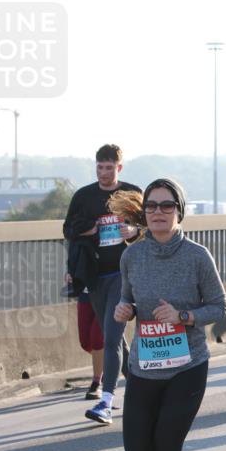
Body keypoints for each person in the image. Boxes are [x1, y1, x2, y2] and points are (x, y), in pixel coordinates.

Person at [114, 178, 226, 451]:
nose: (158, 212)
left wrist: (183, 316)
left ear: (179, 211)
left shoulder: (197, 256)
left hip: (187, 366)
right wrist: (123, 309)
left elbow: (218, 306)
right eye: (151, 206)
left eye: (166, 206)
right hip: (145, 365)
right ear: (144, 213)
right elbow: (127, 300)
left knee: (166, 449)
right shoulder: (132, 255)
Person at [63, 144, 142, 426]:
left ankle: (106, 401)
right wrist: (87, 230)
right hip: (95, 276)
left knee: (110, 337)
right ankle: (140, 388)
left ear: (119, 168)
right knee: (115, 337)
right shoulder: (84, 196)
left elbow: (151, 227)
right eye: (100, 167)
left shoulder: (132, 193)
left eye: (109, 168)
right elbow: (67, 230)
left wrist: (133, 231)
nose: (104, 173)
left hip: (124, 275)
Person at [77, 289, 104, 399]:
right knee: (85, 342)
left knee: (97, 339)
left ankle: (96, 383)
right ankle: (109, 360)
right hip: (85, 292)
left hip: (107, 291)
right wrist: (70, 273)